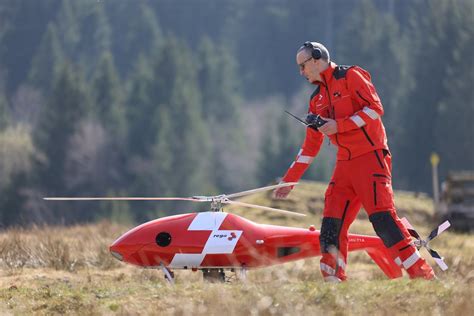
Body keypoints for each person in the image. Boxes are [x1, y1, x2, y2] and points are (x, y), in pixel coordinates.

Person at [273, 41, 435, 282]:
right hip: (344, 165)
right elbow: (310, 146)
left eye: (303, 66)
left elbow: (375, 109)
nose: (301, 72)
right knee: (331, 224)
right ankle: (333, 282)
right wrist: (289, 180)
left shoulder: (351, 76)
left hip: (371, 158)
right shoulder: (316, 99)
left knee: (383, 220)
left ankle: (423, 277)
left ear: (317, 59)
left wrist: (339, 125)